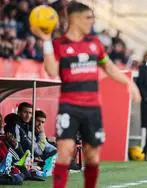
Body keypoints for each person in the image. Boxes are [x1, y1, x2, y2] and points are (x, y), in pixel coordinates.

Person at [31, 2, 141, 188]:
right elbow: (51, 70)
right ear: (74, 18)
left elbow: (108, 67)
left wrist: (129, 83)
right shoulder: (59, 45)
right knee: (65, 151)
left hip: (92, 108)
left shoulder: (94, 44)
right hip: (69, 106)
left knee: (92, 155)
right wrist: (47, 40)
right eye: (88, 17)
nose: (92, 21)